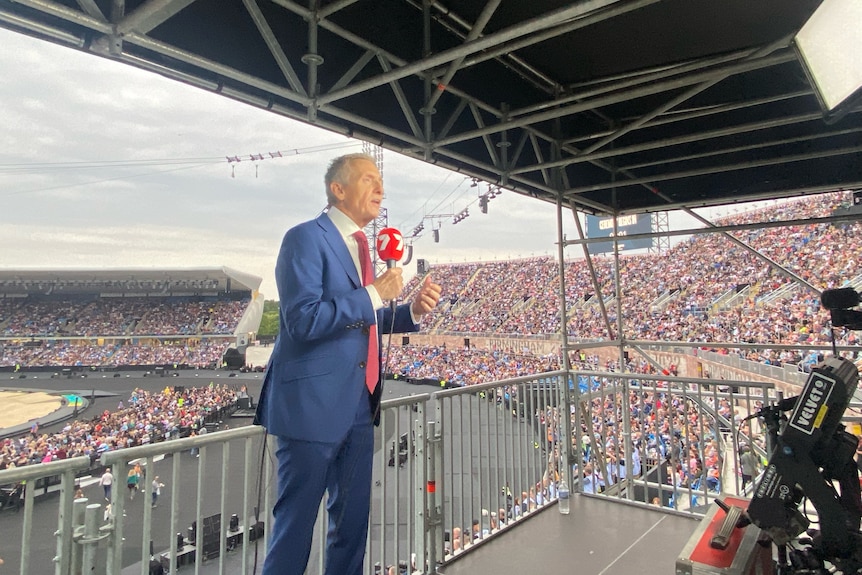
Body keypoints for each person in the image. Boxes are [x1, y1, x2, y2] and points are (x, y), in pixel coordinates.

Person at [254, 153, 442, 575]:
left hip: (361, 407)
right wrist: (375, 292)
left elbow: (361, 320)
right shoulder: (304, 238)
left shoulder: (363, 251)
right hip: (310, 409)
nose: (380, 189)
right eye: (369, 179)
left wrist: (410, 311)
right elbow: (303, 321)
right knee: (294, 529)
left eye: (381, 182)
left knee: (352, 526)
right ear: (338, 189)